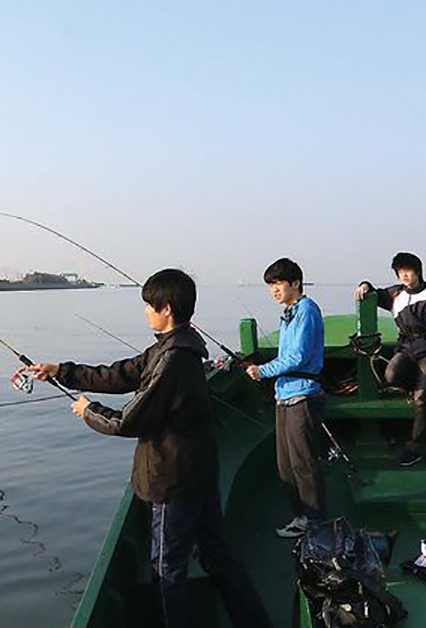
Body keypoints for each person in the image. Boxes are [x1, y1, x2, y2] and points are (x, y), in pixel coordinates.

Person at [28, 269, 271, 628]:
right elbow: (121, 374)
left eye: (148, 306)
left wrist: (87, 410)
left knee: (164, 570)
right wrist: (62, 370)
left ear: (167, 308)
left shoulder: (172, 361)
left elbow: (129, 422)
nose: (145, 312)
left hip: (174, 480)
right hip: (197, 471)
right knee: (219, 558)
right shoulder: (174, 347)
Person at [243, 258, 326, 538]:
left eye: (278, 284)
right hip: (284, 397)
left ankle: (316, 522)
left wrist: (262, 370)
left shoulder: (307, 310)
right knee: (286, 465)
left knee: (303, 464)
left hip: (302, 397)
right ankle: (301, 517)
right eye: (271, 286)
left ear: (295, 283)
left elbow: (298, 356)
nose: (274, 291)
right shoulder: (290, 312)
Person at [354, 252, 426, 466]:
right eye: (400, 272)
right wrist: (364, 285)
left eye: (408, 270)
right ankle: (414, 386)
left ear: (418, 271)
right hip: (407, 348)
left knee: (422, 399)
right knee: (391, 375)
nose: (404, 275)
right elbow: (376, 293)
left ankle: (415, 447)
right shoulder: (395, 294)